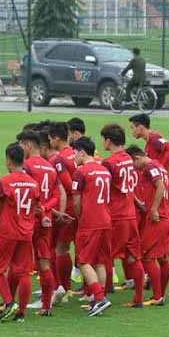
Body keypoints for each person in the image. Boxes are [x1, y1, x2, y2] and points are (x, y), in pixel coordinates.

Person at [0, 143, 40, 323]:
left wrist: (1, 222)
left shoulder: (4, 181)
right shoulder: (33, 183)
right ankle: (21, 313)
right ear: (23, 161)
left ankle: (10, 303)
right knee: (23, 272)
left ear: (8, 161)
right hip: (26, 232)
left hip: (7, 231)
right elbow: (36, 207)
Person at [17, 131, 66, 316]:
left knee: (22, 263)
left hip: (29, 219)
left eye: (21, 145)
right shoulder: (50, 166)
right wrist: (47, 210)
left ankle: (15, 305)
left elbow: (27, 192)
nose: (20, 149)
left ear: (29, 145)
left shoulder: (27, 166)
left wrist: (39, 209)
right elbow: (56, 194)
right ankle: (46, 306)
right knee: (44, 262)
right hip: (46, 221)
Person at [100, 124, 145, 307]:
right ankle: (138, 299)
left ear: (108, 141)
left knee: (105, 256)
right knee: (134, 256)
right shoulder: (128, 158)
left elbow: (104, 189)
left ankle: (101, 297)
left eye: (103, 139)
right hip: (130, 215)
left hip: (116, 215)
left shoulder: (109, 163)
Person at [127, 145, 169, 306]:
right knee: (163, 259)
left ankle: (157, 296)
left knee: (147, 257)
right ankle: (160, 294)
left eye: (132, 163)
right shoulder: (160, 166)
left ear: (137, 158)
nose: (133, 168)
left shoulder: (150, 167)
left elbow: (161, 186)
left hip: (157, 219)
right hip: (166, 218)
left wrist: (154, 209)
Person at [71, 137, 113, 317]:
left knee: (83, 261)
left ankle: (99, 298)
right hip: (105, 219)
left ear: (81, 152)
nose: (73, 155)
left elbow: (77, 200)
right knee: (99, 261)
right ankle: (99, 299)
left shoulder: (81, 172)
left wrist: (80, 218)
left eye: (75, 152)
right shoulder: (104, 170)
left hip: (90, 221)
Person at [48, 121, 78, 302]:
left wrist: (60, 210)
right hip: (77, 208)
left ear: (56, 139)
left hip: (67, 209)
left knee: (59, 248)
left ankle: (61, 287)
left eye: (51, 139)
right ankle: (64, 288)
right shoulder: (74, 153)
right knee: (66, 248)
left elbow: (69, 186)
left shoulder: (59, 159)